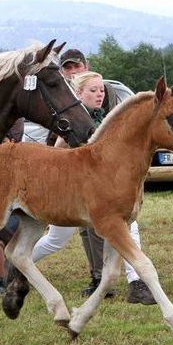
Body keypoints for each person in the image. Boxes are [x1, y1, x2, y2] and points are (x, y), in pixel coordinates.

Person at [31, 71, 155, 304]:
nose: (99, 95)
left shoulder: (107, 118)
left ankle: (136, 283)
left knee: (129, 227)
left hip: (106, 191)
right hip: (73, 193)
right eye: (93, 90)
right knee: (55, 240)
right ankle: (18, 263)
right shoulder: (69, 122)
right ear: (78, 94)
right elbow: (57, 152)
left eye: (101, 90)